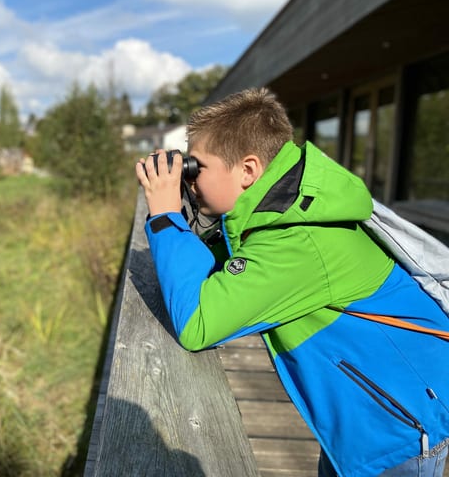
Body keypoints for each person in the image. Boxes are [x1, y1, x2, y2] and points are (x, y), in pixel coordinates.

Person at [134, 87, 449, 477]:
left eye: (197, 167)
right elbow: (213, 269)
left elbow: (198, 322)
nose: (191, 179)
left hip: (395, 433)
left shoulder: (295, 242)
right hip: (367, 416)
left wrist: (165, 216)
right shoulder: (282, 212)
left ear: (248, 171)